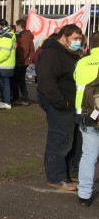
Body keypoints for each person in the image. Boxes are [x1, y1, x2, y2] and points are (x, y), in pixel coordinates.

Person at [36, 23, 83, 192]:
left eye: (80, 39)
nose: (78, 42)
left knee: (72, 141)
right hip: (60, 104)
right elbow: (47, 81)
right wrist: (62, 103)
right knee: (59, 140)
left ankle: (68, 173)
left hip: (71, 105)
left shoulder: (70, 54)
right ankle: (56, 177)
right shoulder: (52, 54)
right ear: (64, 37)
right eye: (75, 39)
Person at [74, 31, 99, 206]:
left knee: (88, 154)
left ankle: (84, 194)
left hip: (84, 113)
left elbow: (76, 79)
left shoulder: (81, 62)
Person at [0, 19, 17, 109]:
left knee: (5, 83)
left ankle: (7, 102)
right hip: (0, 64)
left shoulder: (6, 36)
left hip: (3, 64)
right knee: (2, 83)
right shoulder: (1, 34)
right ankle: (4, 100)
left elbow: (5, 52)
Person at [12, 19, 35, 105]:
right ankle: (21, 98)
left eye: (16, 26)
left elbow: (24, 51)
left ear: (19, 26)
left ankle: (24, 99)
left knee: (20, 80)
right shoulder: (25, 34)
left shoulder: (25, 36)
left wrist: (19, 61)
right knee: (19, 80)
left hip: (22, 62)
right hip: (23, 61)